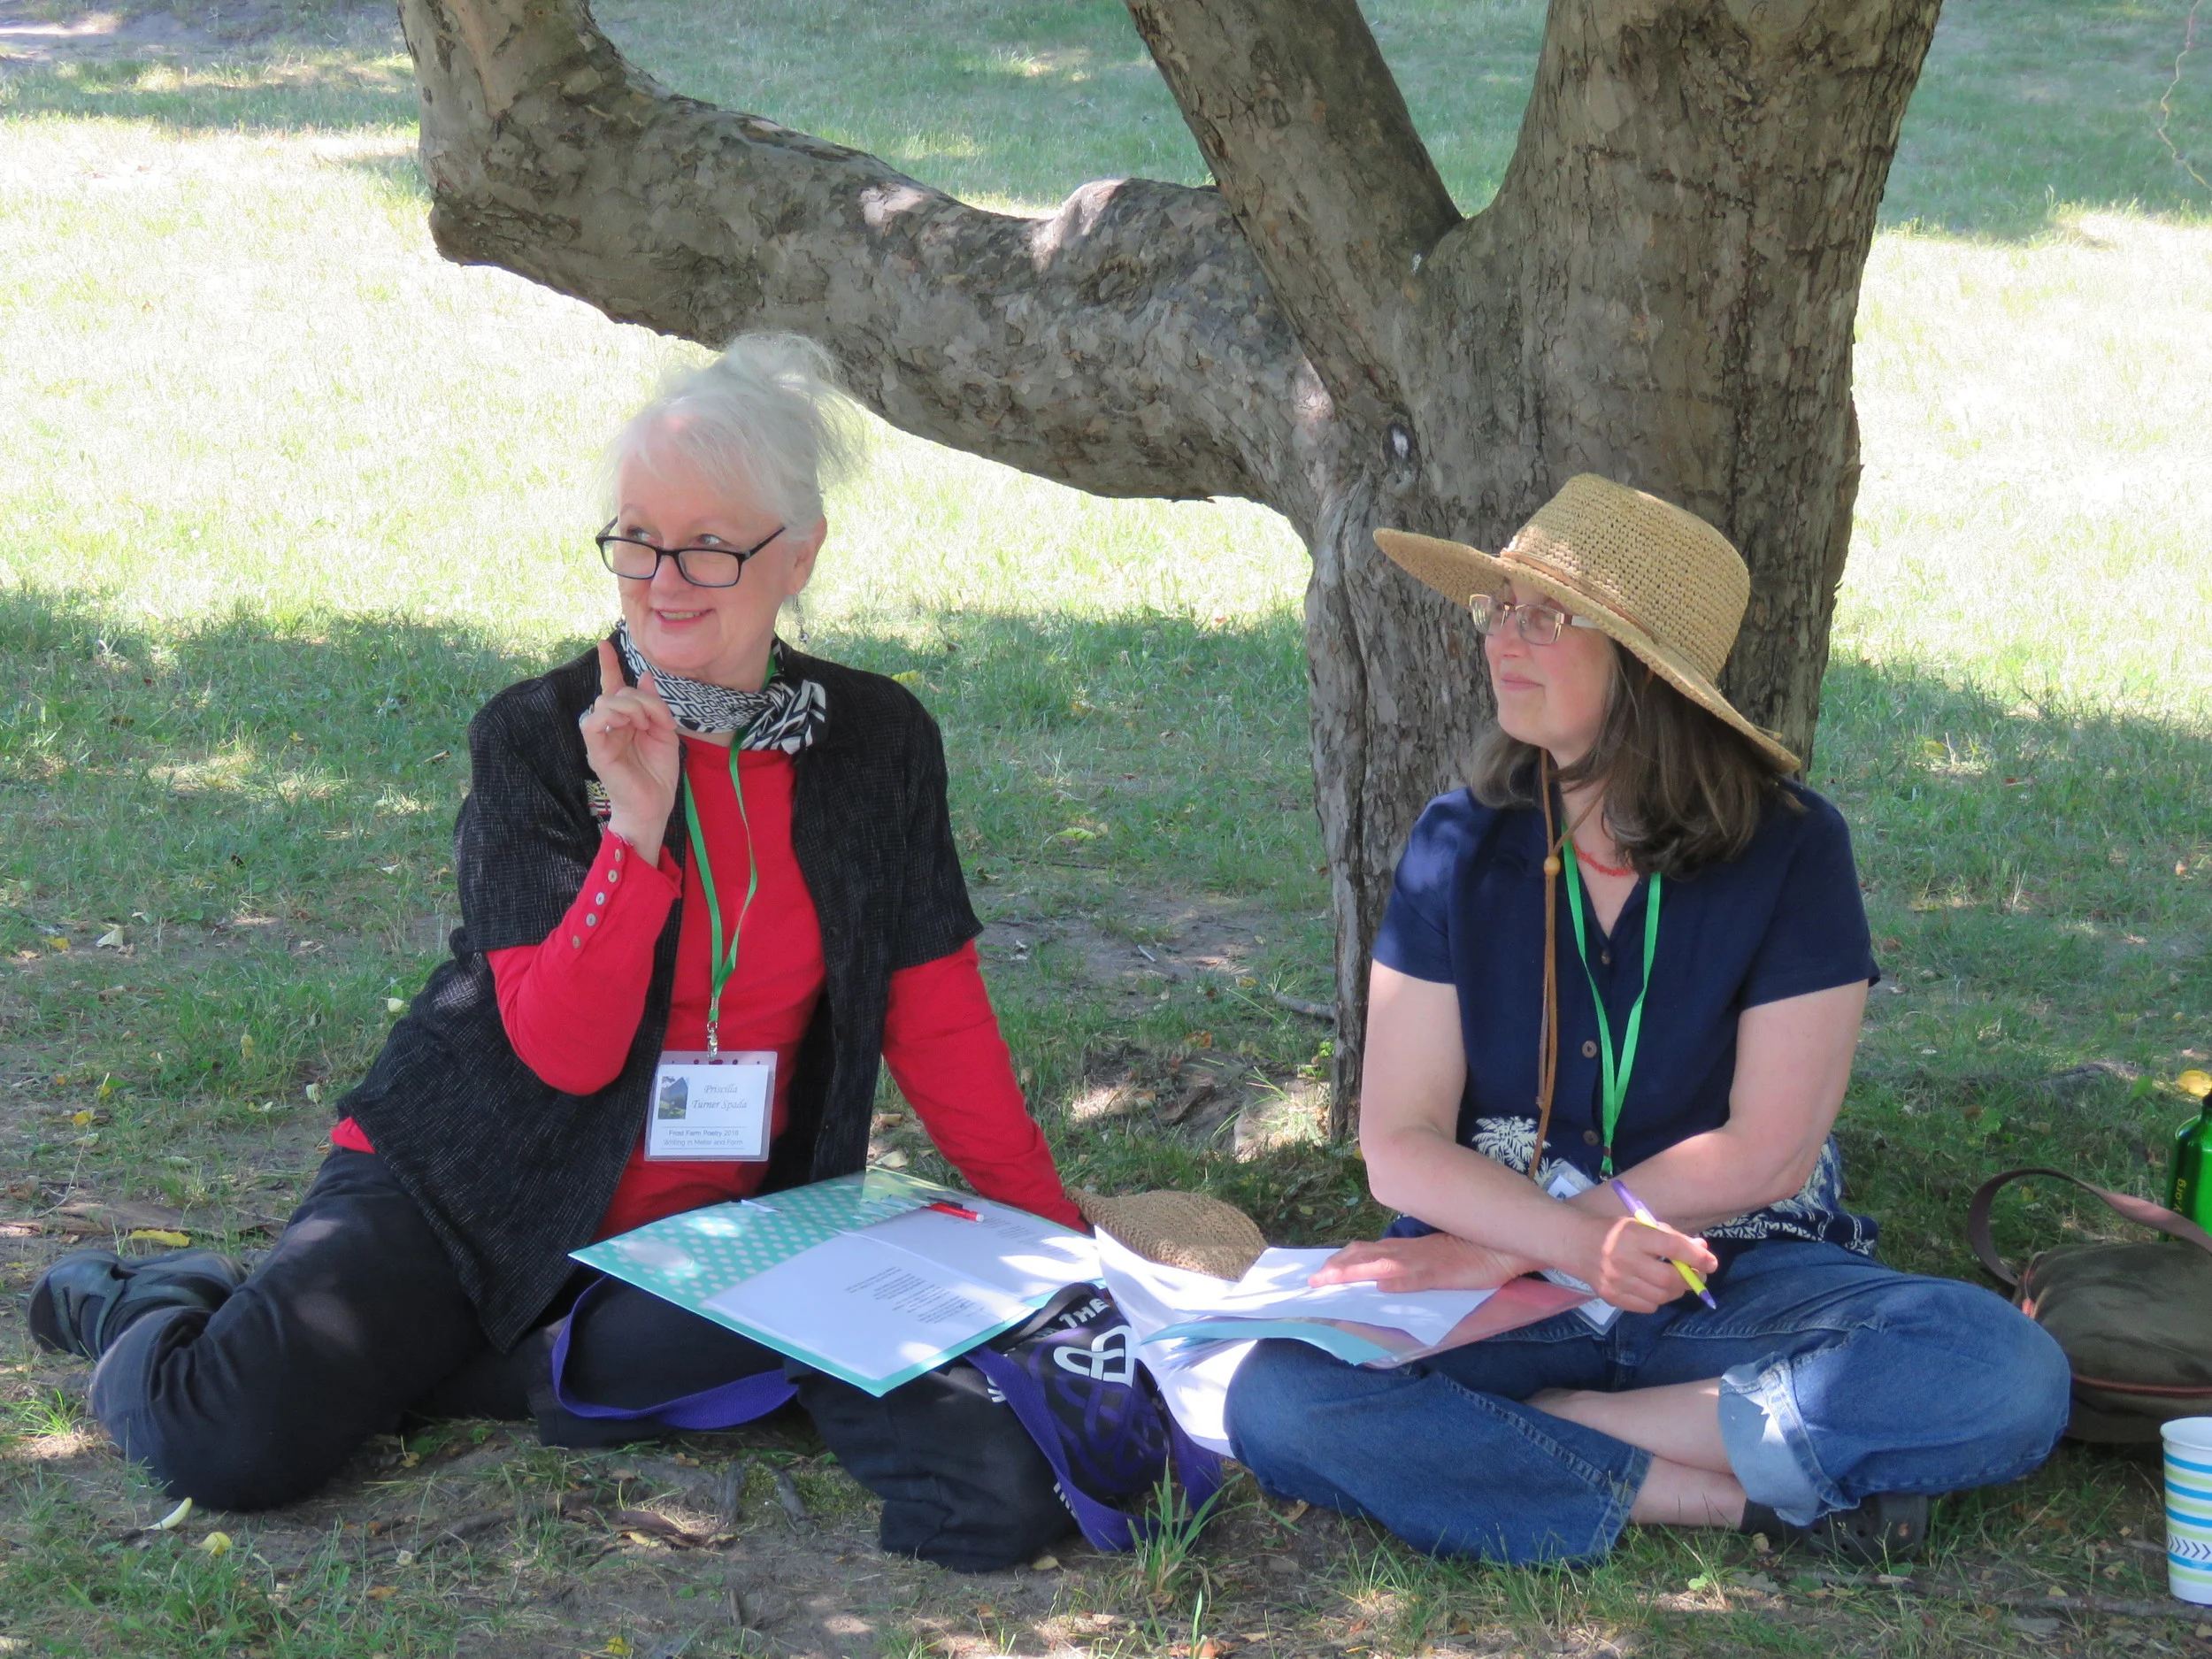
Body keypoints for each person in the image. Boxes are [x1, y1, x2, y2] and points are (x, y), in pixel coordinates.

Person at [28, 334, 1083, 1510]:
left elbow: (933, 1009)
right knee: (231, 1443)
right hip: (471, 1183)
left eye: (709, 545)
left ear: (800, 556)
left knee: (815, 1357)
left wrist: (1063, 1240)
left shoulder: (879, 739)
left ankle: (446, 1356)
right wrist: (634, 836)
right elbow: (559, 1051)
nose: (663, 577)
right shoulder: (538, 734)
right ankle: (147, 1298)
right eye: (636, 537)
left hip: (711, 1226)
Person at [1225, 476, 2070, 1566]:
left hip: (1728, 1277)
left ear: (1644, 669)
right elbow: (1399, 1142)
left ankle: (1563, 1431)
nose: (1502, 639)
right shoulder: (1458, 844)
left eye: (1546, 614)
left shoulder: (1792, 850)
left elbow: (1770, 1151)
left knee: (1999, 1368)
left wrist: (1586, 1240)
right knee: (1278, 1399)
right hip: (1503, 1271)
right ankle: (1733, 1498)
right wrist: (1548, 1245)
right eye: (1498, 609)